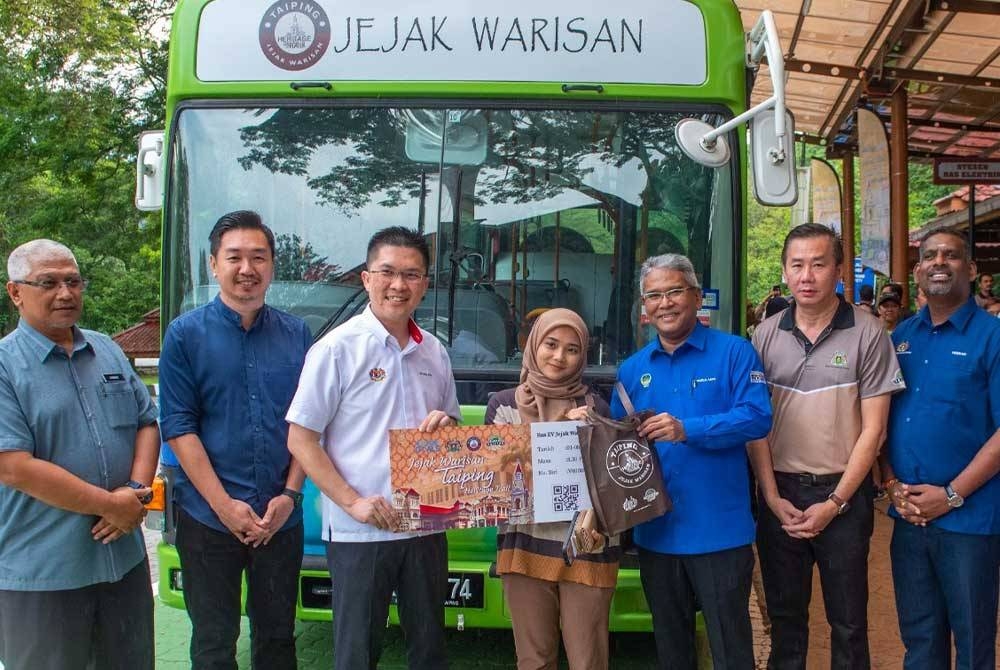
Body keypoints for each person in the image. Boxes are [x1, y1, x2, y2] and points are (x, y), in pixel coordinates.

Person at [286, 226, 461, 670]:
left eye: (411, 274)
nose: (398, 285)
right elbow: (301, 439)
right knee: (358, 651)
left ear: (424, 283)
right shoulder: (336, 349)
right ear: (366, 279)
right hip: (361, 531)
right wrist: (354, 503)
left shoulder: (434, 353)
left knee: (429, 648)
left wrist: (447, 426)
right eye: (387, 272)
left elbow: (452, 424)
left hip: (426, 526)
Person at [158, 211, 312, 669]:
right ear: (213, 265)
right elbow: (178, 426)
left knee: (278, 637)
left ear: (272, 265)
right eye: (235, 257)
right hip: (207, 519)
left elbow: (308, 423)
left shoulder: (296, 334)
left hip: (279, 519)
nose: (247, 268)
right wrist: (224, 506)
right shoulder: (184, 335)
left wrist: (290, 494)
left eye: (258, 258)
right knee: (213, 639)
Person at [750, 223, 903, 670]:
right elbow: (756, 425)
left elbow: (874, 431)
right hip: (780, 496)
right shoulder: (765, 336)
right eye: (797, 265)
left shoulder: (868, 332)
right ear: (784, 271)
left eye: (819, 264)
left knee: (849, 623)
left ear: (838, 271)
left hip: (844, 497)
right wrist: (771, 497)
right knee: (786, 619)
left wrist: (836, 502)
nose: (807, 275)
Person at [0, 239, 159, 669]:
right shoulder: (5, 366)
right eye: (48, 283)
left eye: (73, 281)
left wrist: (136, 491)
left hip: (122, 565)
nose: (65, 294)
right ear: (16, 292)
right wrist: (111, 505)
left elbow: (147, 421)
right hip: (44, 571)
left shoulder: (105, 348)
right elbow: (13, 467)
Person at [614, 253, 772, 669]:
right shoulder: (631, 371)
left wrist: (689, 429)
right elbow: (616, 447)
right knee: (672, 650)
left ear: (697, 297)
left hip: (719, 534)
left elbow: (758, 418)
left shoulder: (735, 352)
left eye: (674, 291)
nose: (664, 303)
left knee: (731, 650)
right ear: (644, 309)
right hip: (656, 535)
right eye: (654, 295)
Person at [880, 228, 1000, 670]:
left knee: (973, 643)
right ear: (917, 272)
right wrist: (891, 484)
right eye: (930, 255)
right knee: (920, 639)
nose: (939, 262)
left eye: (951, 256)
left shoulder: (993, 337)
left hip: (969, 521)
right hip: (909, 518)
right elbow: (882, 421)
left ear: (970, 269)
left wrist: (949, 495)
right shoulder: (899, 338)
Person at [484, 308, 617, 670]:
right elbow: (498, 476)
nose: (559, 357)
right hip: (524, 545)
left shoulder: (597, 405)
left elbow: (609, 480)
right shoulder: (503, 405)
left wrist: (594, 428)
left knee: (588, 659)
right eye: (551, 344)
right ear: (533, 345)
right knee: (534, 659)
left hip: (586, 547)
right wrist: (560, 426)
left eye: (572, 349)